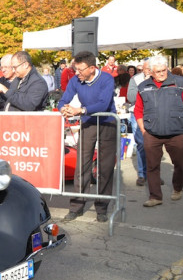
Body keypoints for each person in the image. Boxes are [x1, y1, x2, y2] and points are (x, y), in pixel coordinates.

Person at [58, 51, 117, 223]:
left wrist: (80, 110)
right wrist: (64, 108)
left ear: (92, 68)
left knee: (105, 168)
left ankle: (102, 208)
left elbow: (104, 103)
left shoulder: (106, 79)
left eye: (81, 70)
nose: (77, 73)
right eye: (75, 69)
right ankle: (76, 206)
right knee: (81, 166)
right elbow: (64, 99)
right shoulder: (75, 80)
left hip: (107, 122)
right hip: (88, 123)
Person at [134, 56, 183, 207]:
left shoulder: (179, 83)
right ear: (151, 72)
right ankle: (155, 196)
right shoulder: (143, 87)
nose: (161, 73)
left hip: (176, 131)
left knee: (180, 162)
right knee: (152, 165)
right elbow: (138, 111)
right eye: (158, 71)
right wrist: (143, 130)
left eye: (163, 70)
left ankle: (178, 188)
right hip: (152, 132)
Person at [127, 59, 151, 186]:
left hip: (154, 115)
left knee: (155, 145)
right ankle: (142, 174)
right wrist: (145, 85)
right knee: (141, 143)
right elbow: (131, 97)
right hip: (138, 113)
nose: (148, 71)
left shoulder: (158, 79)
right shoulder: (136, 79)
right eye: (146, 69)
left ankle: (153, 174)